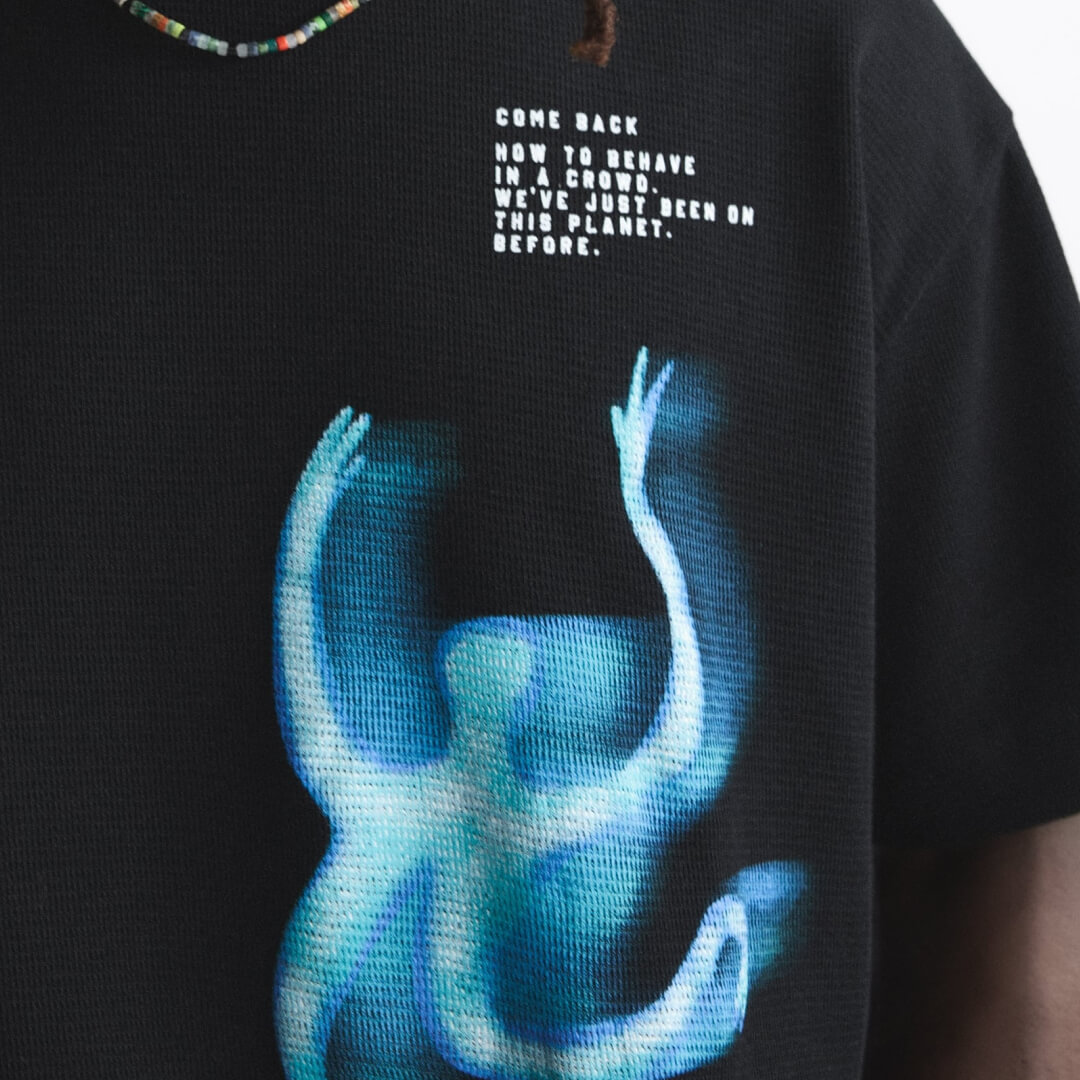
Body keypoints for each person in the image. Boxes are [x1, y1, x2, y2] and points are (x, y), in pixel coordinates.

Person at [1, 1, 1078, 1077]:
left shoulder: (817, 63)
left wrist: (630, 511)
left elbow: (1015, 795)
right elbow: (670, 741)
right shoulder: (445, 796)